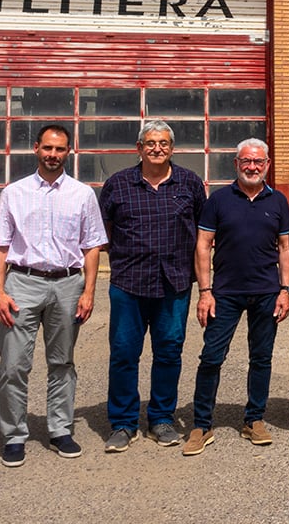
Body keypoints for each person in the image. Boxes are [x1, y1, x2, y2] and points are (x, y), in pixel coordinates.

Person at [0, 124, 108, 468]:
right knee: (13, 364)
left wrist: (88, 291)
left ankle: (60, 430)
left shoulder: (82, 194)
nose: (53, 155)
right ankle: (14, 435)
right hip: (22, 283)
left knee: (62, 363)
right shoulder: (14, 192)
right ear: (36, 149)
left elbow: (92, 246)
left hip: (67, 285)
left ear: (68, 152)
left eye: (60, 149)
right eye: (47, 148)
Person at [99, 120, 206, 452]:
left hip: (174, 284)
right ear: (139, 148)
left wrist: (205, 286)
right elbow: (104, 233)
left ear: (172, 148)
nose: (157, 148)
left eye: (163, 143)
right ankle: (122, 423)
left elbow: (203, 234)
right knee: (124, 355)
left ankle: (161, 418)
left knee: (169, 353)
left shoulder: (189, 183)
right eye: (150, 143)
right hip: (128, 284)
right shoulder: (118, 184)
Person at [182, 138, 289, 456]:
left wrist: (285, 290)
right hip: (225, 294)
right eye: (246, 161)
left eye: (258, 162)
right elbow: (203, 245)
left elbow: (285, 248)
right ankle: (202, 425)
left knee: (261, 358)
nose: (252, 167)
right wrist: (205, 292)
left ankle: (254, 420)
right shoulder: (217, 201)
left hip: (267, 293)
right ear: (236, 164)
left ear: (267, 165)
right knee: (211, 358)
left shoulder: (278, 202)